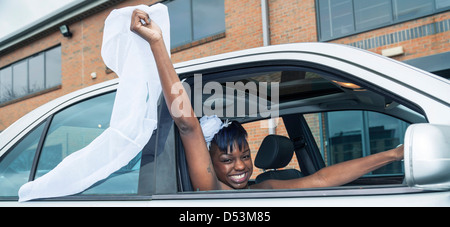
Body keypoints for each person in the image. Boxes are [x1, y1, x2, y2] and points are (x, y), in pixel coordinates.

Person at [130, 9, 404, 191]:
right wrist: (157, 43)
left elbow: (321, 179)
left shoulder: (264, 189)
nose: (240, 166)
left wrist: (394, 154)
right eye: (227, 159)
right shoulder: (210, 191)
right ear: (210, 162)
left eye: (245, 156)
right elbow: (188, 125)